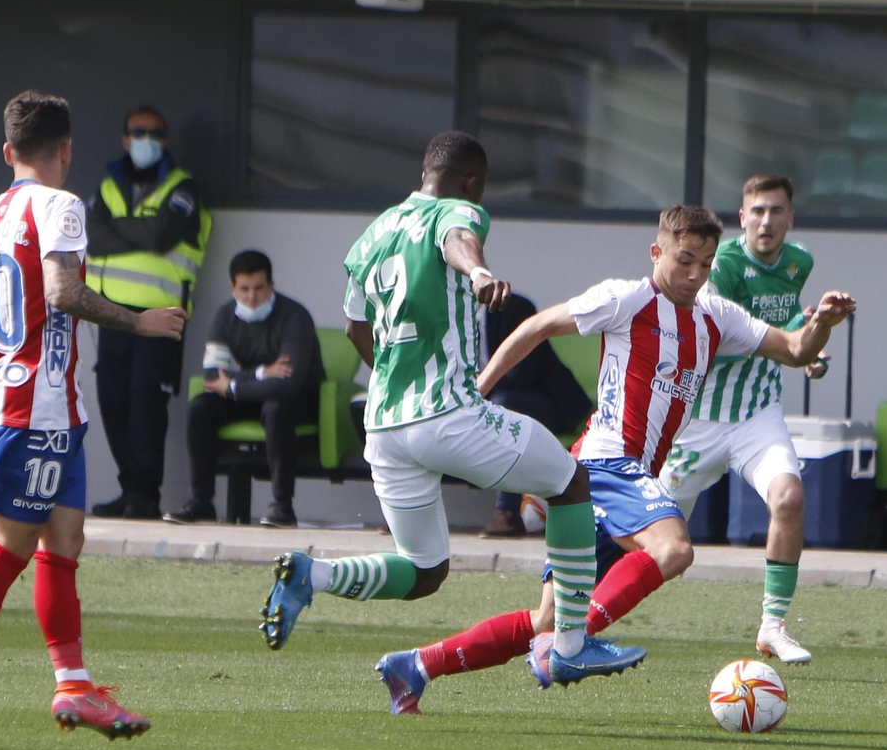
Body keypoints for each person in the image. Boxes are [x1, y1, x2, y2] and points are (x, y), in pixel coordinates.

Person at [366, 205, 855, 712]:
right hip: (606, 464)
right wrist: (478, 393)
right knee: (673, 550)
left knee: (546, 620)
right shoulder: (626, 298)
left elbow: (796, 350)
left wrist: (821, 322)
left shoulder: (717, 316)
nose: (695, 275)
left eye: (706, 264)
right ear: (656, 251)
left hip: (619, 475)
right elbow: (536, 327)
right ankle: (570, 648)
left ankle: (417, 665)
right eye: (684, 260)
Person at [257, 131, 645, 707]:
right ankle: (568, 643)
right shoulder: (459, 209)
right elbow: (458, 238)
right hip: (448, 414)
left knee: (424, 570)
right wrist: (480, 274)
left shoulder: (373, 233)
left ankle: (311, 577)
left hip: (385, 427)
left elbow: (354, 328)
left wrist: (394, 376)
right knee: (571, 482)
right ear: (471, 182)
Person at [0, 91, 187, 747]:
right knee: (11, 544)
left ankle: (74, 685)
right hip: (37, 410)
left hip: (48, 409)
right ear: (67, 150)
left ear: (7, 153)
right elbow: (60, 291)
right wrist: (138, 320)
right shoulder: (61, 206)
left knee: (64, 540)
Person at [660, 174, 828, 664]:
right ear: (741, 218)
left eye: (776, 211)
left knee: (790, 498)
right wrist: (795, 344)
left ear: (790, 218)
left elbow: (787, 318)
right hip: (699, 420)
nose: (766, 221)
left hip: (758, 415)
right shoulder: (726, 265)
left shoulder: (800, 262)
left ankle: (773, 626)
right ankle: (576, 619)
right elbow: (722, 334)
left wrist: (809, 339)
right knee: (654, 552)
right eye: (757, 211)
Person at [85, 105, 211, 520]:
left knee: (146, 405)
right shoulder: (107, 186)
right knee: (113, 401)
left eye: (155, 133)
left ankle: (146, 496)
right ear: (124, 138)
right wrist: (132, 230)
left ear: (166, 139)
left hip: (161, 317)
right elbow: (93, 240)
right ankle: (130, 489)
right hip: (111, 313)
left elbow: (160, 237)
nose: (146, 140)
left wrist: (117, 227)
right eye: (138, 132)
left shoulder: (183, 188)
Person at [165, 249, 325, 528]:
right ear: (233, 288)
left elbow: (285, 385)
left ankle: (282, 508)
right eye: (245, 289)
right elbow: (213, 376)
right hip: (254, 395)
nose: (252, 297)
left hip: (299, 401)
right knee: (201, 408)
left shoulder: (295, 317)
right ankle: (201, 501)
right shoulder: (225, 316)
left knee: (276, 409)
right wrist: (261, 373)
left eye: (260, 288)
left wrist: (236, 385)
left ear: (272, 286)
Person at [480, 292, 591, 537]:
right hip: (482, 402)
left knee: (504, 404)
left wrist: (475, 393)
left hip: (548, 403)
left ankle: (507, 513)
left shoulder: (513, 308)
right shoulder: (446, 318)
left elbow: (521, 375)